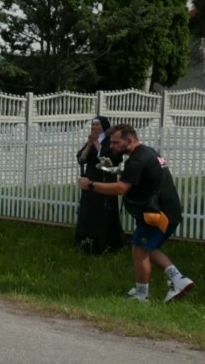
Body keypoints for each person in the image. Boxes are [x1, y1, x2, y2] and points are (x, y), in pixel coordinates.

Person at [78, 124, 194, 303]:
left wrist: (91, 185)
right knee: (147, 248)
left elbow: (121, 188)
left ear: (129, 140)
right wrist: (112, 169)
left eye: (116, 143)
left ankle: (142, 295)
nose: (112, 147)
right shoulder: (148, 153)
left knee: (139, 250)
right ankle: (178, 280)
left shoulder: (138, 160)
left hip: (156, 214)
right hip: (167, 212)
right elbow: (137, 175)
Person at [75, 116, 125, 254]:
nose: (94, 127)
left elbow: (112, 158)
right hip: (90, 179)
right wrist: (89, 144)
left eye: (97, 124)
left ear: (104, 126)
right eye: (93, 124)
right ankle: (86, 240)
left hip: (105, 180)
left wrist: (96, 143)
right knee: (88, 210)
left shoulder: (110, 141)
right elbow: (81, 159)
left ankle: (105, 243)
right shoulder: (91, 141)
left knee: (104, 210)